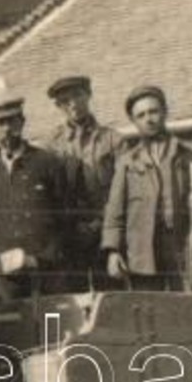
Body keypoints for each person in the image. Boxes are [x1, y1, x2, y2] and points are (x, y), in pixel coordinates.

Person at [0, 97, 79, 299]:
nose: (6, 129)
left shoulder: (48, 162)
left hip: (49, 269)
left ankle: (52, 331)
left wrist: (45, 257)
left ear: (21, 122)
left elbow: (66, 216)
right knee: (16, 324)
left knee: (53, 322)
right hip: (8, 271)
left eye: (11, 121)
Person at [102, 85, 192, 291]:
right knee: (147, 310)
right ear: (134, 121)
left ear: (165, 112)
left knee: (184, 306)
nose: (149, 119)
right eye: (141, 115)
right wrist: (112, 251)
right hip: (142, 249)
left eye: (153, 111)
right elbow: (114, 210)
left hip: (180, 245)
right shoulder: (128, 162)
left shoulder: (188, 154)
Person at [45, 75, 123, 281]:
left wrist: (101, 224)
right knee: (67, 302)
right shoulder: (52, 145)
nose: (72, 104)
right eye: (64, 101)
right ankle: (54, 317)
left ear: (88, 95)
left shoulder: (113, 140)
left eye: (77, 96)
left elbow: (122, 189)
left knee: (109, 295)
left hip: (107, 229)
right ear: (58, 106)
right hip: (69, 234)